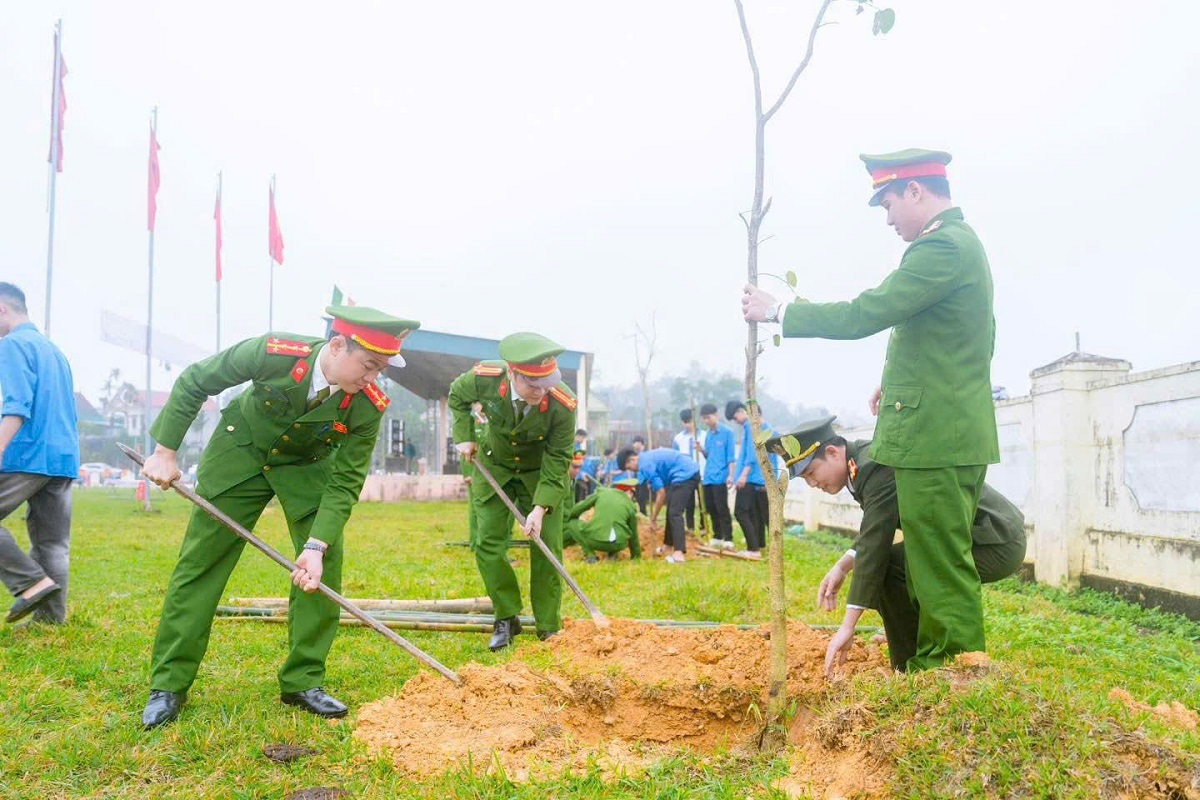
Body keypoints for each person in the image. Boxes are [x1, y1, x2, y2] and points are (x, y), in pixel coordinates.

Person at [743, 149, 999, 670]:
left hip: (935, 438)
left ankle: (953, 675)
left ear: (915, 191)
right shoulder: (953, 248)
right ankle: (939, 669)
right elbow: (937, 337)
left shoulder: (943, 248)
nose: (888, 219)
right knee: (931, 562)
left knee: (939, 566)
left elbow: (869, 312)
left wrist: (780, 312)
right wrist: (894, 382)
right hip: (939, 431)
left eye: (888, 204)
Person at [138, 305, 418, 728]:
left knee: (323, 569)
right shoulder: (275, 352)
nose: (372, 378)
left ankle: (303, 681)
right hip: (242, 454)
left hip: (306, 469)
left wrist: (316, 546)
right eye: (369, 365)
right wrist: (165, 453)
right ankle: (169, 684)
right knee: (201, 564)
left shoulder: (368, 405)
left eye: (381, 370)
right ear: (338, 345)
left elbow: (344, 483)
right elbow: (197, 379)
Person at [766, 416, 1025, 674]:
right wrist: (843, 566)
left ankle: (919, 667)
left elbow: (874, 544)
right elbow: (877, 526)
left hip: (994, 539)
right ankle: (911, 656)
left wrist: (847, 626)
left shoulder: (872, 465)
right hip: (970, 537)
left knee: (891, 568)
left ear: (832, 452)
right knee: (895, 567)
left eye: (811, 473)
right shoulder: (863, 462)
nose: (812, 484)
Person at [449, 333, 576, 651]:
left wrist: (540, 508)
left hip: (540, 476)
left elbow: (559, 458)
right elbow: (456, 396)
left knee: (547, 548)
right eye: (533, 385)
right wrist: (464, 436)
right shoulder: (484, 380)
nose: (542, 391)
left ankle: (548, 624)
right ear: (512, 373)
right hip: (496, 468)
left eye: (548, 383)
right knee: (488, 545)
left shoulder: (562, 402)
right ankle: (506, 617)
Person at [0, 283, 77, 625]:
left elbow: (17, 406)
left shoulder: (13, 345)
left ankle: (30, 583)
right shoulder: (53, 350)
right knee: (53, 543)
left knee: (50, 544)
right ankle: (50, 620)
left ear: (2, 310)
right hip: (62, 458)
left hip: (28, 456)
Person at [617, 446, 699, 563]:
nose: (631, 470)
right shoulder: (645, 459)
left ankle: (679, 553)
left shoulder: (645, 465)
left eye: (629, 468)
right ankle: (667, 546)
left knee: (675, 513)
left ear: (632, 460)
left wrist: (653, 518)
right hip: (678, 475)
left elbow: (661, 494)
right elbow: (649, 479)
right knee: (671, 510)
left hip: (685, 473)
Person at [725, 400, 778, 556]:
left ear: (743, 411)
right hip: (761, 478)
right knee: (757, 515)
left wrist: (743, 475)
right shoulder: (768, 430)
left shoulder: (751, 426)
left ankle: (753, 549)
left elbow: (751, 452)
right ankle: (759, 545)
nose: (736, 421)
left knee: (741, 512)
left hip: (752, 477)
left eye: (735, 418)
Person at [563, 478, 642, 562]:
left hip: (596, 542)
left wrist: (571, 517)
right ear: (629, 492)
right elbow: (633, 536)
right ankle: (612, 554)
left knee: (572, 524)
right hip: (619, 544)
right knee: (619, 529)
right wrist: (636, 556)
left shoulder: (601, 493)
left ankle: (590, 555)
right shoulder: (630, 505)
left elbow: (578, 509)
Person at [694, 403, 735, 550]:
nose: (706, 421)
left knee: (721, 508)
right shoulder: (708, 435)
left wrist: (731, 475)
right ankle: (717, 536)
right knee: (710, 507)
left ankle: (728, 537)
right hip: (708, 476)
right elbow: (709, 455)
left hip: (721, 476)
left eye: (708, 417)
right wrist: (701, 450)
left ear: (716, 415)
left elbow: (731, 457)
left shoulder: (727, 433)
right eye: (704, 419)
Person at [673, 409, 704, 532]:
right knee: (688, 503)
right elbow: (675, 456)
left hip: (702, 473)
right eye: (685, 422)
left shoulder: (704, 435)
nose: (688, 425)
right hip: (686, 476)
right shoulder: (678, 438)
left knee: (703, 503)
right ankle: (690, 528)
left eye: (690, 421)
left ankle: (703, 527)